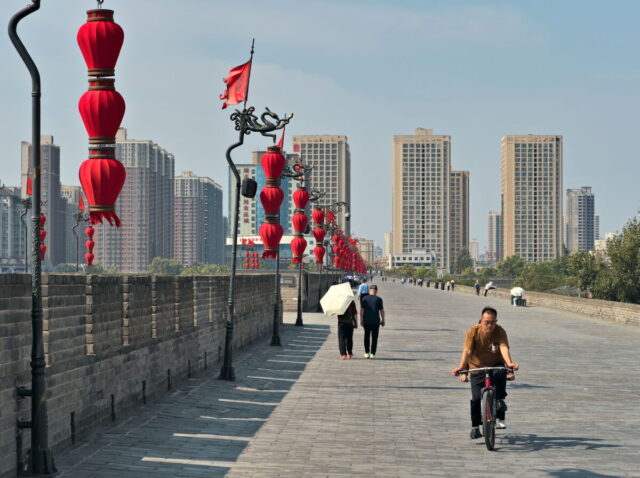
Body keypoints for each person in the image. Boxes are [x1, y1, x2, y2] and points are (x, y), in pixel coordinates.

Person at [451, 307, 519, 439]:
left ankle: (499, 399)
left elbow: (504, 347)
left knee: (500, 374)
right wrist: (461, 368)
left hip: (495, 364)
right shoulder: (472, 331)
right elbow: (467, 351)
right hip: (477, 367)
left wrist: (509, 364)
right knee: (476, 399)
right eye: (486, 322)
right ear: (481, 320)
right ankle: (475, 427)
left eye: (492, 322)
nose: (489, 325)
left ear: (496, 321)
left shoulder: (500, 331)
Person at [360, 285, 385, 359]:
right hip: (375, 322)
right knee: (374, 338)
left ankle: (367, 353)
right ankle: (373, 354)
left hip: (366, 321)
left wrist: (361, 319)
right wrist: (383, 320)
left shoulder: (364, 299)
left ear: (369, 290)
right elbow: (381, 311)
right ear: (376, 291)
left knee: (366, 336)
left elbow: (362, 310)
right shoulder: (379, 299)